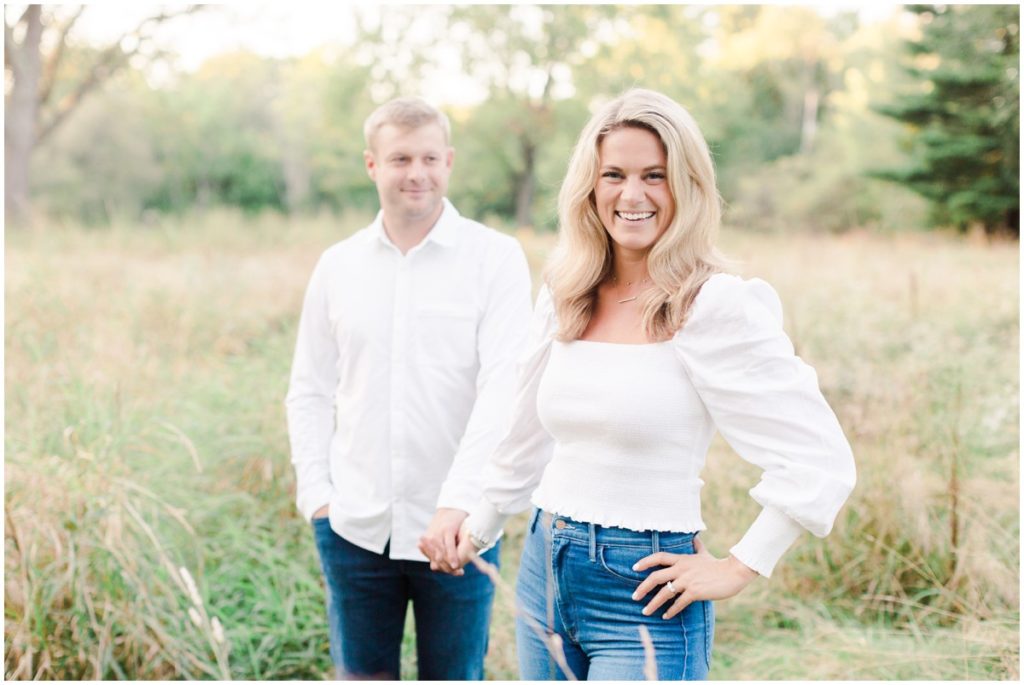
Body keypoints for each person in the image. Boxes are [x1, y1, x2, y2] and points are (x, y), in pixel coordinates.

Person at [426, 88, 856, 680]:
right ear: (590, 186)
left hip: (646, 592)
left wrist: (740, 565)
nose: (632, 195)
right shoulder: (566, 291)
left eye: (655, 175)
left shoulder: (713, 303)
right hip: (544, 570)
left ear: (688, 185)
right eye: (614, 175)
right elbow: (523, 432)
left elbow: (820, 458)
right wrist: (479, 526)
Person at [285, 96, 533, 680]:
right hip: (353, 526)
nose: (416, 173)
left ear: (448, 161)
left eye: (428, 158)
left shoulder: (495, 259)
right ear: (372, 165)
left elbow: (507, 388)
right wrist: (317, 496)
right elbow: (310, 389)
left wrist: (465, 503)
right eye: (400, 159)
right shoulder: (338, 265)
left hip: (460, 530)